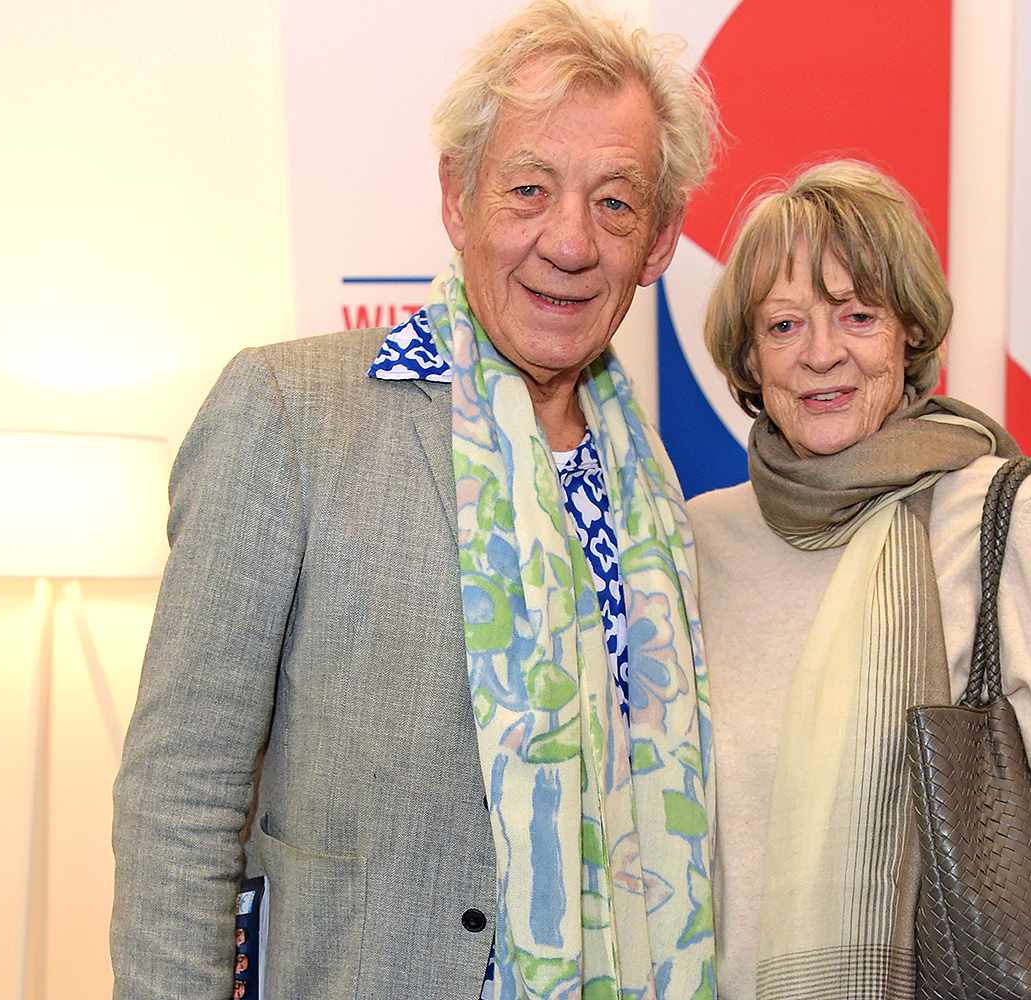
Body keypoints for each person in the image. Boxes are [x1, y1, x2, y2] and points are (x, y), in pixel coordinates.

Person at [111, 3, 720, 997]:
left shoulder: (650, 488)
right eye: (528, 189)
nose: (569, 242)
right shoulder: (291, 416)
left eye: (615, 202)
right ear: (457, 197)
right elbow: (179, 795)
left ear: (659, 240)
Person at [688, 160, 1031, 1000]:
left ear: (909, 332)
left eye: (857, 315)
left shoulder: (1003, 516)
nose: (821, 354)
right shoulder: (702, 539)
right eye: (785, 325)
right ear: (749, 359)